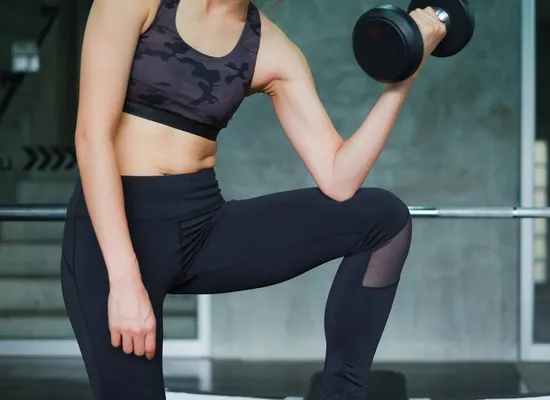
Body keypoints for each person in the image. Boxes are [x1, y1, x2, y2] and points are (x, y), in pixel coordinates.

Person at [60, 0, 446, 398]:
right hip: (110, 236)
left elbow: (338, 178)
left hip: (200, 225)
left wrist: (407, 70)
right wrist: (124, 283)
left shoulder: (271, 48)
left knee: (382, 218)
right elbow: (92, 138)